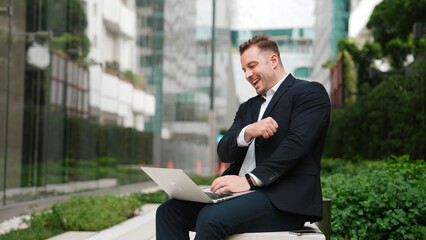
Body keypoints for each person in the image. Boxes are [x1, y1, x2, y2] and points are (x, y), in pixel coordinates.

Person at [156, 34, 331, 240]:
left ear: (273, 60)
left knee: (210, 218)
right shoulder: (248, 107)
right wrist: (247, 131)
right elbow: (224, 151)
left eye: (252, 65)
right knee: (168, 212)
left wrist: (249, 180)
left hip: (282, 199)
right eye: (244, 70)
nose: (247, 74)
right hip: (238, 196)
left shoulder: (309, 93)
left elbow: (297, 144)